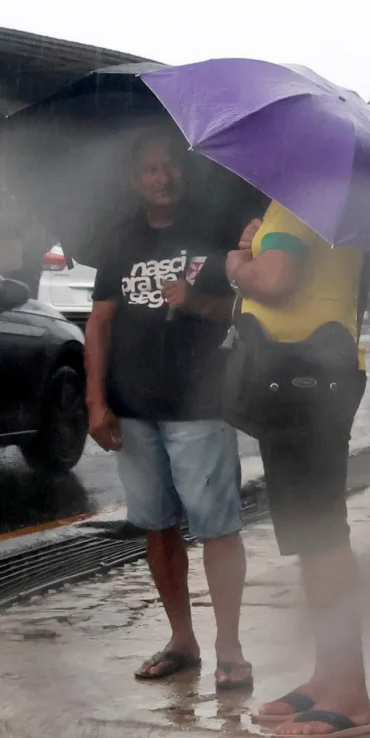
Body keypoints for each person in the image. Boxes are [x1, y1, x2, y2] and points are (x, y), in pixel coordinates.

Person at [86, 133, 249, 693]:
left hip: (199, 405)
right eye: (150, 170)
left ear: (182, 172)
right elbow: (100, 322)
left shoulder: (216, 228)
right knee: (156, 525)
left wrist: (198, 301)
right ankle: (183, 641)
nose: (163, 177)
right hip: (133, 409)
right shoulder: (120, 238)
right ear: (136, 181)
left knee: (217, 527)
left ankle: (230, 649)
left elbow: (249, 304)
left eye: (170, 167)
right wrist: (95, 401)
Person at [228, 201, 370, 738]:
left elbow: (275, 280)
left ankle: (351, 695)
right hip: (304, 378)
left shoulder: (302, 203)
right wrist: (259, 238)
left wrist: (236, 263)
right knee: (310, 537)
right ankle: (328, 676)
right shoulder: (304, 205)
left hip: (305, 380)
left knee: (322, 539)